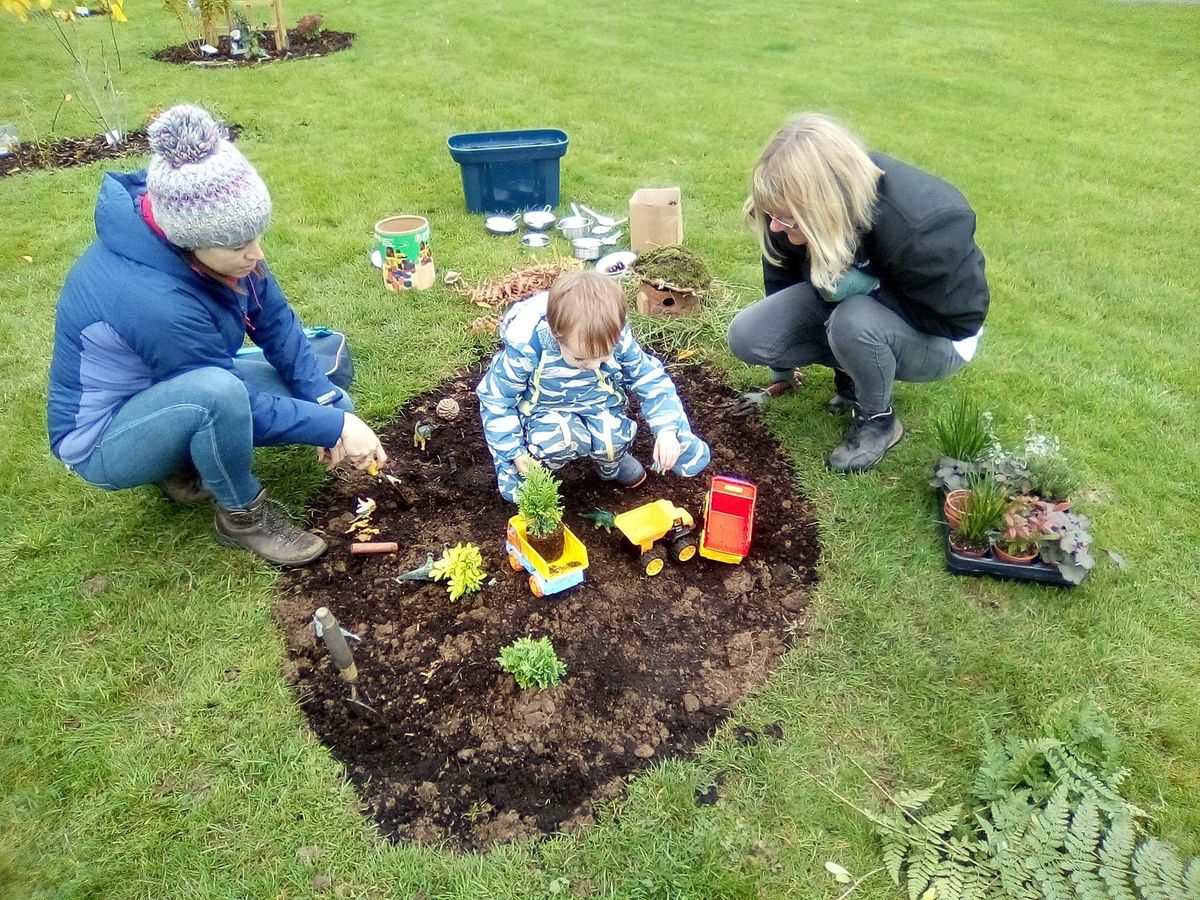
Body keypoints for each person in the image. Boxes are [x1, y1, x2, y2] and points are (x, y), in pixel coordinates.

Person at [47, 104, 387, 567]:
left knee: (326, 376)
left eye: (256, 236)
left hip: (174, 383)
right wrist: (335, 428)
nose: (256, 254)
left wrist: (328, 406)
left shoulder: (217, 245)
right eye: (240, 245)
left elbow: (275, 321)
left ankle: (184, 458)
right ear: (189, 240)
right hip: (104, 438)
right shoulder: (152, 298)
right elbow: (230, 396)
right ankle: (243, 516)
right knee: (219, 395)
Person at [728, 113, 989, 473]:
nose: (775, 227)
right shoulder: (786, 210)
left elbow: (961, 320)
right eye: (772, 215)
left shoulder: (924, 227)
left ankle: (878, 420)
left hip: (940, 338)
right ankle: (853, 369)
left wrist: (872, 288)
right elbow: (783, 280)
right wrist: (782, 372)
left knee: (853, 321)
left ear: (823, 206)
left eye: (786, 218)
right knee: (749, 335)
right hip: (857, 315)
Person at [477, 270, 711, 502]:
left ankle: (611, 466)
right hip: (545, 410)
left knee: (612, 438)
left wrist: (667, 430)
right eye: (580, 358)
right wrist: (515, 453)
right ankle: (542, 473)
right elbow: (496, 399)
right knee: (559, 438)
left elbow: (651, 379)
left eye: (604, 356)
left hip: (600, 404)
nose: (593, 365)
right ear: (556, 335)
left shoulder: (613, 336)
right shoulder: (528, 348)